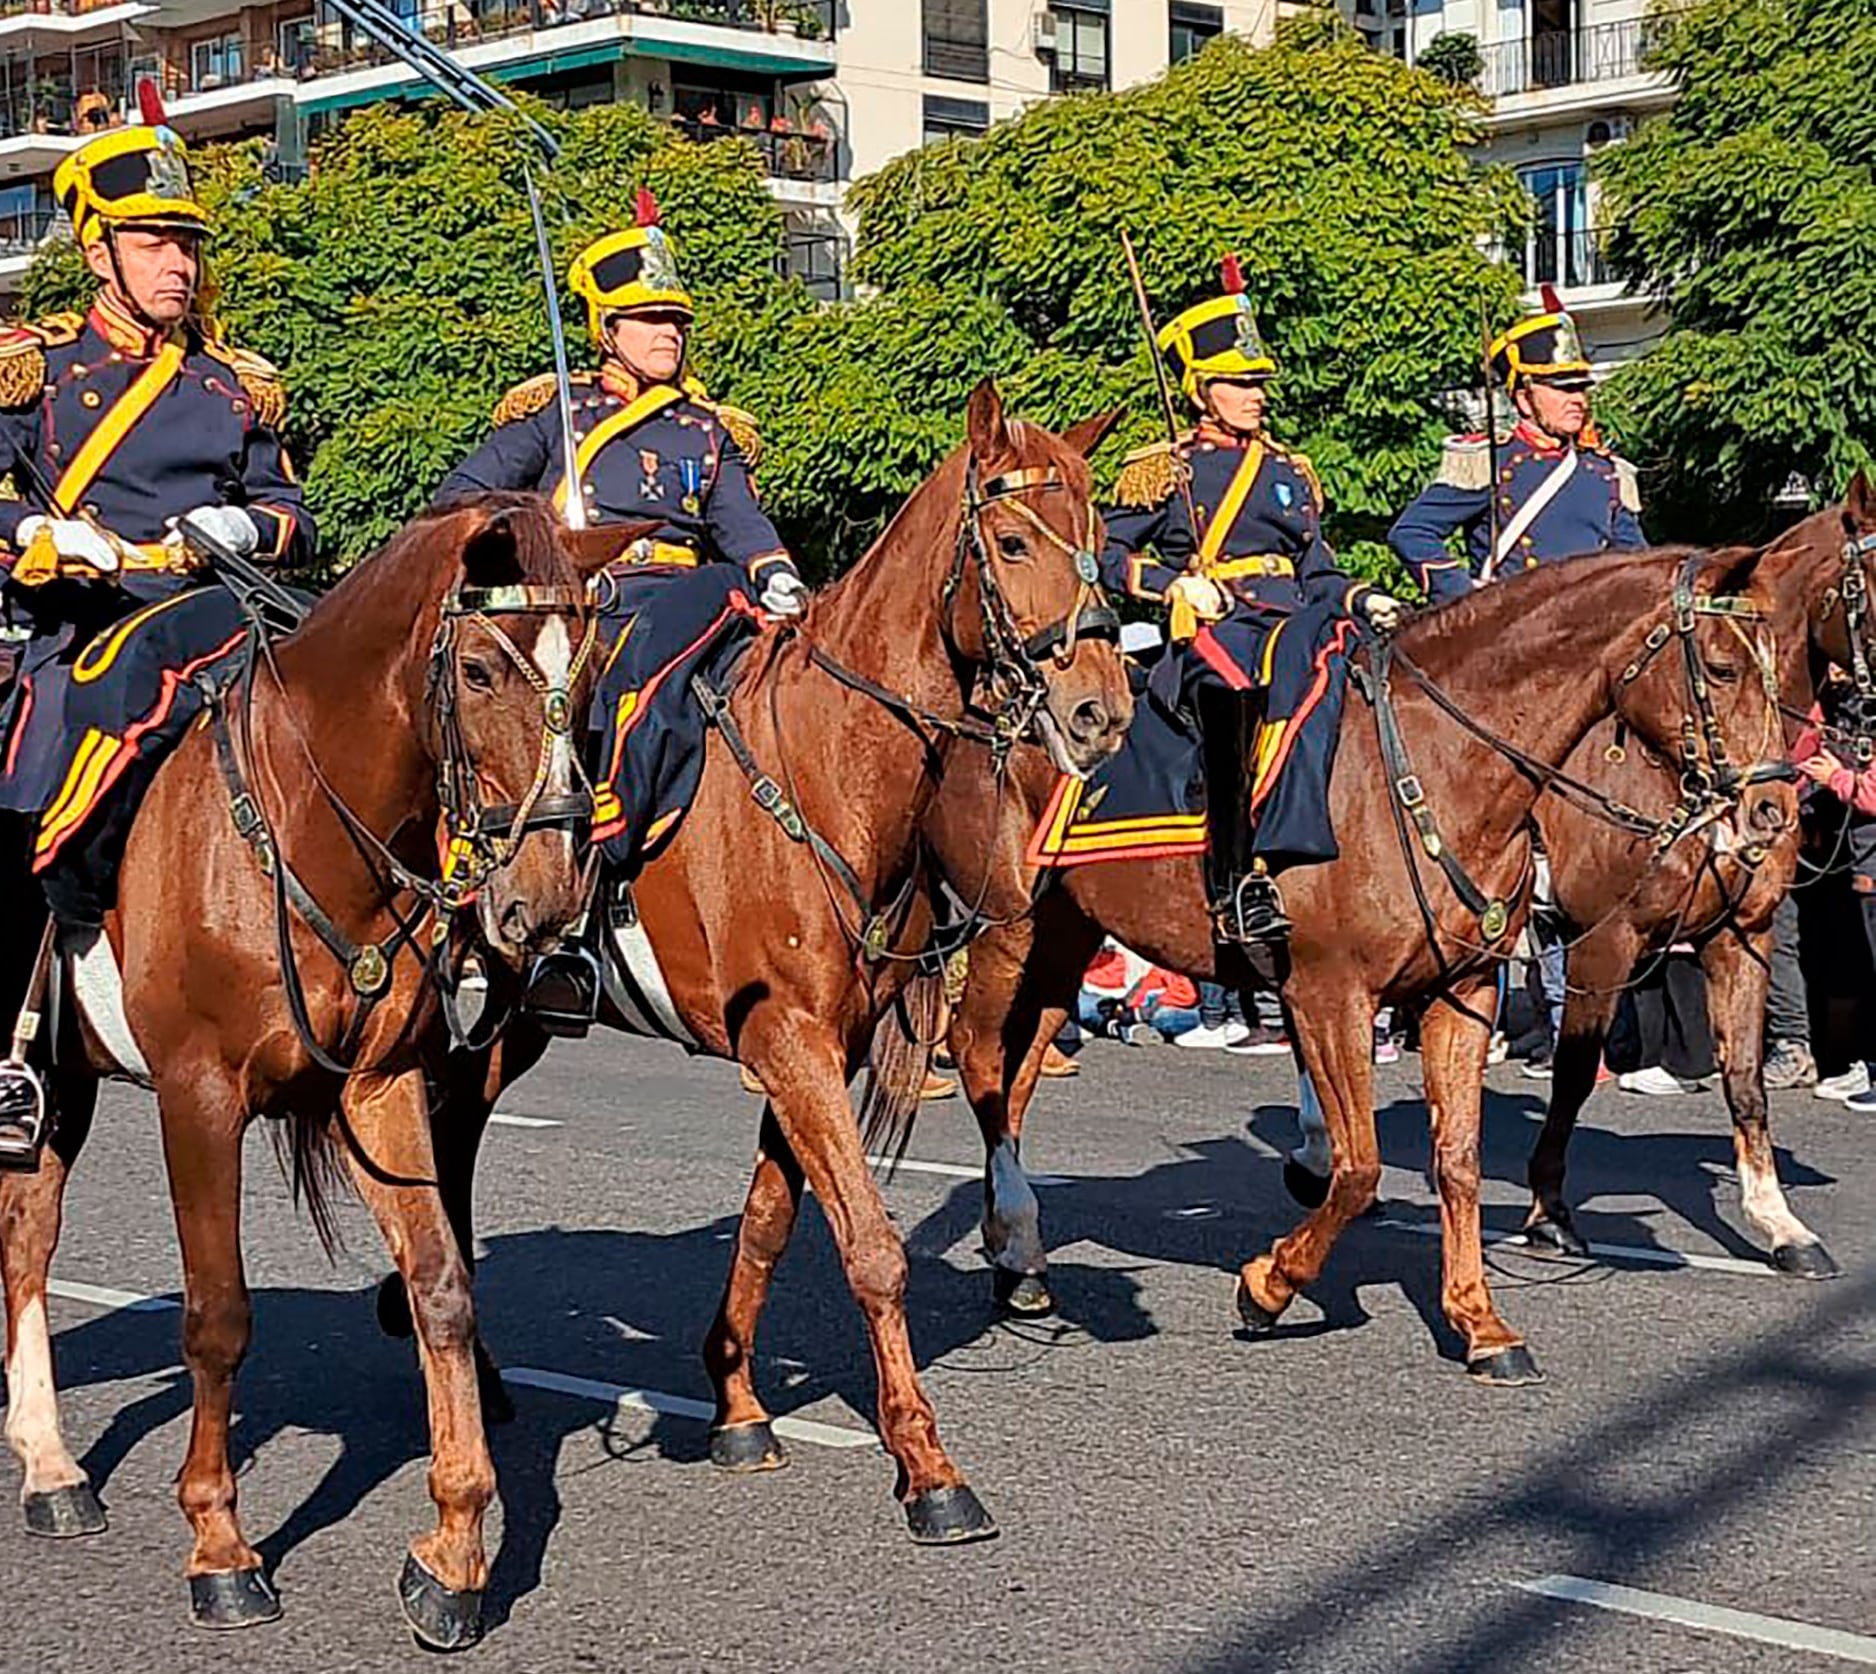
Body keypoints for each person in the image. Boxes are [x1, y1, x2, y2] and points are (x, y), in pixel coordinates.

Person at [0, 114, 314, 1160]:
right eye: (151, 242)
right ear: (98, 253)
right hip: (82, 628)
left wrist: (240, 525)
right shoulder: (34, 370)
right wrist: (36, 534)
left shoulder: (235, 384)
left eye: (186, 243)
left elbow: (291, 517)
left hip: (218, 614)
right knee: (28, 784)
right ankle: (21, 1034)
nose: (178, 263)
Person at [439, 190, 805, 1030]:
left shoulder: (706, 434)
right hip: (586, 612)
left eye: (675, 320)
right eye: (647, 320)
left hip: (689, 606)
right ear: (606, 331)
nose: (668, 334)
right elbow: (460, 498)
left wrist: (777, 575)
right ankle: (575, 878)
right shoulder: (557, 420)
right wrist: (537, 536)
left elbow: (742, 526)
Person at [1101, 256, 1403, 947]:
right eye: (1240, 382)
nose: (1257, 394)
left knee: (1358, 662)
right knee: (1234, 680)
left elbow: (1319, 572)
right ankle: (1236, 881)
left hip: (1295, 622)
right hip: (1218, 630)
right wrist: (1173, 583)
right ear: (1203, 390)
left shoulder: (1288, 472)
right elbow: (1105, 556)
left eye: (1259, 381)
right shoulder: (1163, 470)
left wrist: (1364, 598)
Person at [1391, 304, 1645, 1080]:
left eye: (1580, 383)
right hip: (1515, 675)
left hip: (1593, 669)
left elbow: (1634, 562)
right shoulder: (1487, 465)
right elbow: (1414, 534)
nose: (1578, 396)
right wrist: (1475, 601)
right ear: (1523, 393)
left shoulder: (1606, 475)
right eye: (1560, 385)